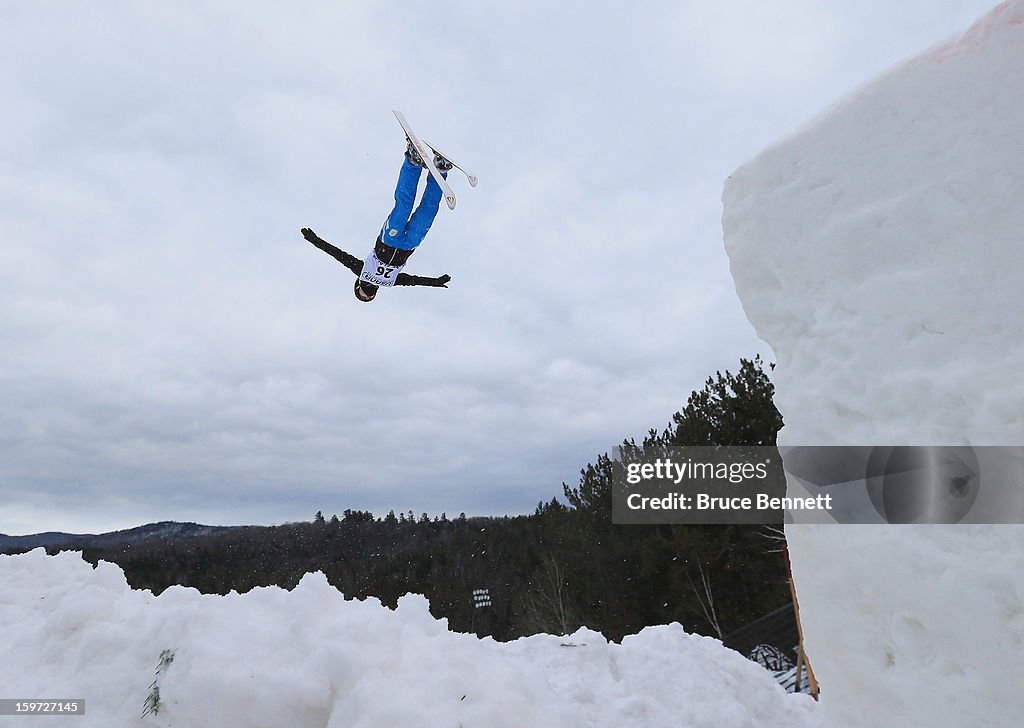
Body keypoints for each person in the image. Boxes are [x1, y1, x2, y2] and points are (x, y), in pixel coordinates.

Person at [301, 142, 453, 302]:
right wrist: (434, 282)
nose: (368, 292)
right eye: (370, 295)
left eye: (363, 293)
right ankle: (440, 170)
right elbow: (413, 281)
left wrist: (314, 239)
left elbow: (337, 254)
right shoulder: (390, 282)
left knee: (403, 207)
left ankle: (412, 162)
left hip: (389, 240)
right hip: (409, 244)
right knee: (427, 214)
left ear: (358, 285)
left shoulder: (362, 271)